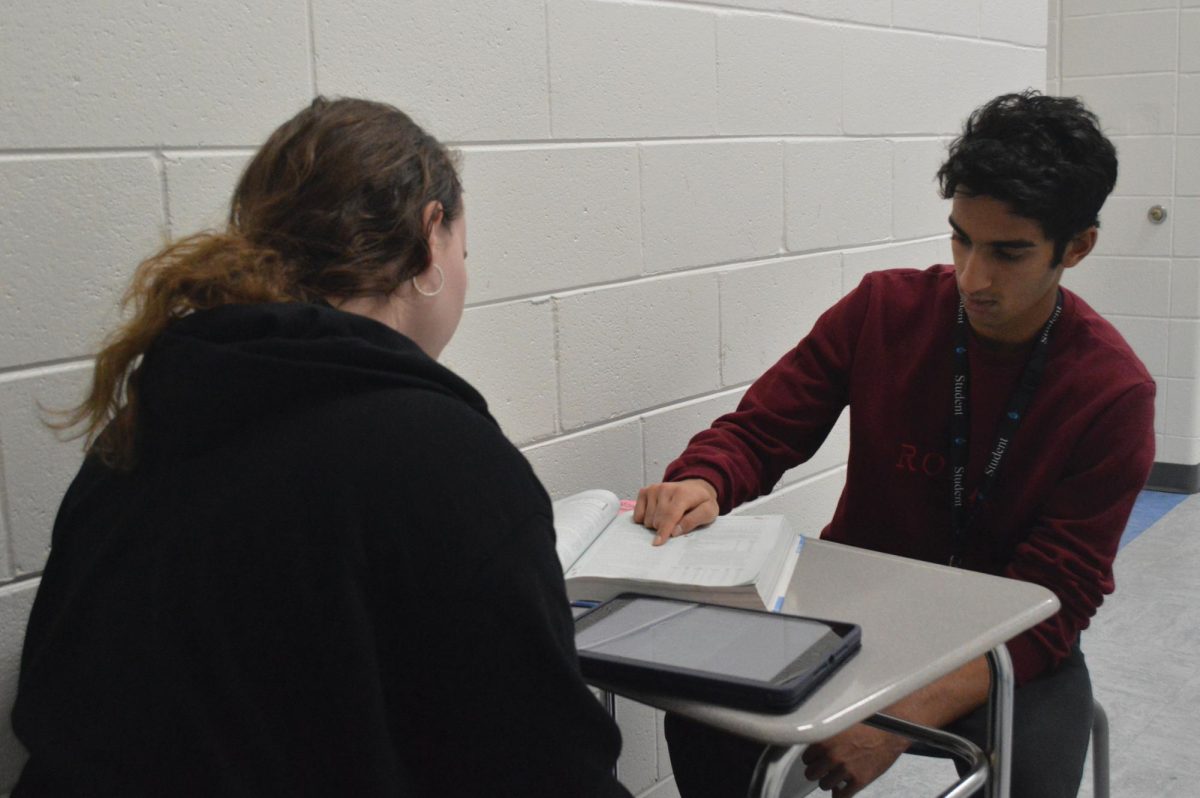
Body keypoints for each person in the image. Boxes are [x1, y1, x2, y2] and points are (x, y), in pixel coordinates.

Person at [12, 97, 631, 798]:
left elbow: (50, 698)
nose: (464, 270)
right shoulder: (447, 463)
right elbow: (548, 771)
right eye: (464, 249)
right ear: (430, 238)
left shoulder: (138, 431)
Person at [634, 91, 1155, 798]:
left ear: (1078, 246)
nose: (974, 276)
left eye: (1008, 252)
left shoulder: (1112, 392)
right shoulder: (885, 310)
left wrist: (894, 719)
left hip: (1001, 644)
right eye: (961, 238)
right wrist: (705, 479)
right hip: (856, 608)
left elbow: (1057, 598)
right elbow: (761, 430)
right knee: (708, 724)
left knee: (1032, 780)